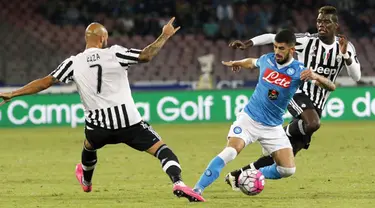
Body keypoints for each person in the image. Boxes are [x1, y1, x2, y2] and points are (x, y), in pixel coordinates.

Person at [0, 18, 205, 202]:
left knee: (89, 146)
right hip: (130, 124)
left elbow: (45, 82)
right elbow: (145, 56)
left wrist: (13, 93)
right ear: (103, 38)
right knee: (163, 151)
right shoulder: (114, 53)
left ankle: (86, 182)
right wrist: (164, 36)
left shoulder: (73, 62)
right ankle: (178, 183)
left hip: (98, 127)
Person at [225, 6, 361, 190]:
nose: (321, 24)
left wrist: (346, 56)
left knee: (286, 157)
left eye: (326, 21)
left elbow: (356, 76)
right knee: (313, 123)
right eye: (319, 21)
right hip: (296, 93)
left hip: (317, 103)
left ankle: (238, 175)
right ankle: (281, 132)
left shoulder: (345, 46)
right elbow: (272, 37)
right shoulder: (306, 41)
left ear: (336, 25)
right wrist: (247, 44)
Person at [192, 29, 336, 199]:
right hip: (249, 119)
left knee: (287, 169)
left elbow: (331, 87)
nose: (276, 51)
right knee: (230, 152)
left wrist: (316, 76)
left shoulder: (299, 70)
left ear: (292, 50)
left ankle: (247, 175)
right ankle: (196, 190)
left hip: (273, 127)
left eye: (281, 48)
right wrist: (237, 62)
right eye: (275, 47)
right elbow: (252, 62)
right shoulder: (267, 59)